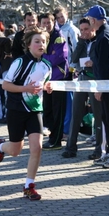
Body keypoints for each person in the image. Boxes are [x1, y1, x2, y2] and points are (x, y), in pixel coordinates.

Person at [0, 26, 52, 200]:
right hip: (16, 108)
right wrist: (25, 88)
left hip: (35, 110)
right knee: (16, 151)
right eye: (37, 41)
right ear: (28, 44)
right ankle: (1, 147)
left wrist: (48, 87)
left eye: (43, 41)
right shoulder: (19, 63)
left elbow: (44, 83)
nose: (41, 44)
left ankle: (29, 185)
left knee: (37, 147)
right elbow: (5, 85)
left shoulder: (47, 65)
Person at [84, 5, 109, 168]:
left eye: (89, 20)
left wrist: (100, 87)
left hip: (108, 85)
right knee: (107, 119)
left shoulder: (104, 37)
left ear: (93, 20)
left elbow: (105, 66)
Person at [61, 18, 103, 160]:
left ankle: (99, 148)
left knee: (98, 115)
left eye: (87, 29)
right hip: (82, 79)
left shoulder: (99, 41)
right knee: (76, 112)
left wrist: (94, 62)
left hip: (95, 81)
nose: (84, 32)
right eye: (82, 29)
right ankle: (71, 147)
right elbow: (73, 59)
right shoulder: (82, 42)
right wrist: (80, 42)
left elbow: (102, 60)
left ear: (93, 28)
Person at [39, 13, 69, 150]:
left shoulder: (58, 37)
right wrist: (46, 56)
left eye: (48, 22)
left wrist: (44, 56)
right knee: (48, 110)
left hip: (58, 79)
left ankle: (56, 141)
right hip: (46, 80)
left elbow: (59, 57)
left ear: (53, 22)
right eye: (44, 23)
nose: (46, 25)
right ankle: (51, 136)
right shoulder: (42, 37)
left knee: (58, 112)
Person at [53, 6, 80, 141]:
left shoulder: (72, 30)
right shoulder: (56, 30)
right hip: (59, 70)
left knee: (69, 101)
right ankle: (61, 128)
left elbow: (76, 49)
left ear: (67, 15)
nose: (60, 19)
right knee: (62, 101)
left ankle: (67, 129)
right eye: (58, 17)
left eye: (62, 16)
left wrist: (74, 67)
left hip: (70, 70)